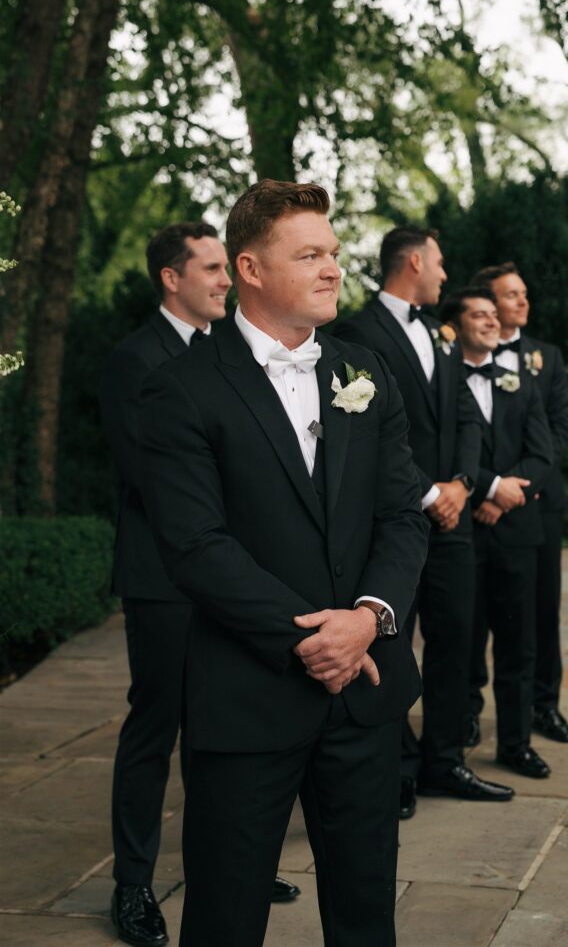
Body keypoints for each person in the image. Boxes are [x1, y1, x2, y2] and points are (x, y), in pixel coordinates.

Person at [138, 180, 430, 947]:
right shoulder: (179, 389)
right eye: (308, 255)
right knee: (226, 919)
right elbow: (196, 547)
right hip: (248, 694)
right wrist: (314, 638)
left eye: (333, 252)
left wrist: (368, 619)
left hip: (365, 695)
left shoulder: (363, 370)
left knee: (366, 917)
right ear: (250, 269)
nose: (333, 268)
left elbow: (402, 513)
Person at [100, 222, 299, 947]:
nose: (226, 281)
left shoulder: (233, 356)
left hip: (238, 577)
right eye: (212, 269)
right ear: (171, 278)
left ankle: (232, 867)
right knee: (155, 729)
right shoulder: (136, 361)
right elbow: (151, 478)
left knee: (230, 727)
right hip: (164, 578)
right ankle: (132, 886)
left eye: (227, 268)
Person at [336, 226, 513, 819]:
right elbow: (362, 439)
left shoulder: (440, 335)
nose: (444, 275)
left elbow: (465, 415)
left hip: (453, 519)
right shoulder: (356, 334)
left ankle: (444, 759)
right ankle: (396, 767)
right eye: (438, 264)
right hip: (398, 520)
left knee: (455, 642)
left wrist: (461, 485)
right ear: (413, 261)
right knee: (391, 646)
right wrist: (427, 491)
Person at [441, 288, 554, 779]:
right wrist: (487, 487)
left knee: (517, 642)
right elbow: (442, 451)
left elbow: (542, 454)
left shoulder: (521, 383)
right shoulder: (441, 381)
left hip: (515, 531)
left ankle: (515, 743)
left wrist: (506, 495)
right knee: (461, 638)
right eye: (478, 314)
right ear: (456, 324)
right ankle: (459, 727)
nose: (490, 321)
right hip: (459, 528)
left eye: (493, 314)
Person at [470, 263, 568, 744]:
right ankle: (467, 708)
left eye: (524, 294)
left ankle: (543, 704)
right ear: (489, 304)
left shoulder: (546, 358)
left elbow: (557, 434)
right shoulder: (462, 355)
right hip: (478, 502)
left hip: (536, 503)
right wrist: (489, 488)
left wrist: (513, 492)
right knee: (473, 611)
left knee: (541, 609)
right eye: (511, 295)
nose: (522, 301)